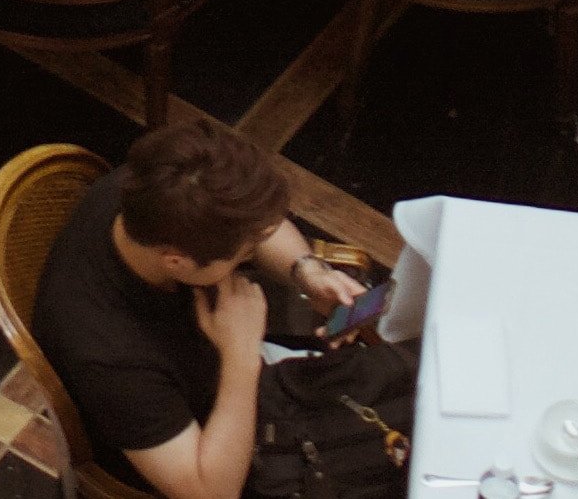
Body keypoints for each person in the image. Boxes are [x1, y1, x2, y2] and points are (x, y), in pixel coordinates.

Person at [30, 119, 370, 499]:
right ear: (177, 262)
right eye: (243, 254)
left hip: (222, 383)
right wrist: (240, 356)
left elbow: (260, 228)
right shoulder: (108, 357)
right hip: (195, 448)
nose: (252, 252)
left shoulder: (158, 188)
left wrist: (306, 270)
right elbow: (211, 492)